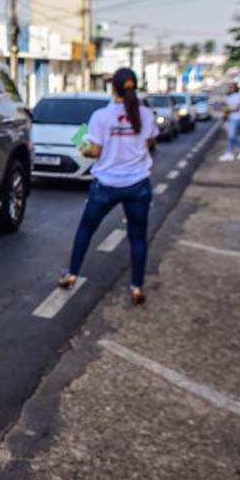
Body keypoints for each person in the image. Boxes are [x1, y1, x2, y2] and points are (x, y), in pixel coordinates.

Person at [58, 68, 157, 304]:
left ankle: (71, 275)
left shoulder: (101, 116)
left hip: (106, 185)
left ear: (113, 87)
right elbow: (150, 143)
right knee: (138, 237)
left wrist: (82, 147)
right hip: (138, 184)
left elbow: (95, 151)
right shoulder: (146, 114)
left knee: (86, 230)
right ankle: (137, 288)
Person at [220, 82, 240, 161]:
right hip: (231, 118)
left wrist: (227, 109)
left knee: (232, 136)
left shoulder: (237, 96)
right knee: (230, 137)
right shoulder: (228, 97)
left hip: (237, 118)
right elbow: (225, 107)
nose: (230, 89)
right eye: (229, 87)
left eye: (232, 87)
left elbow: (236, 108)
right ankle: (229, 153)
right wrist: (225, 113)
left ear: (236, 88)